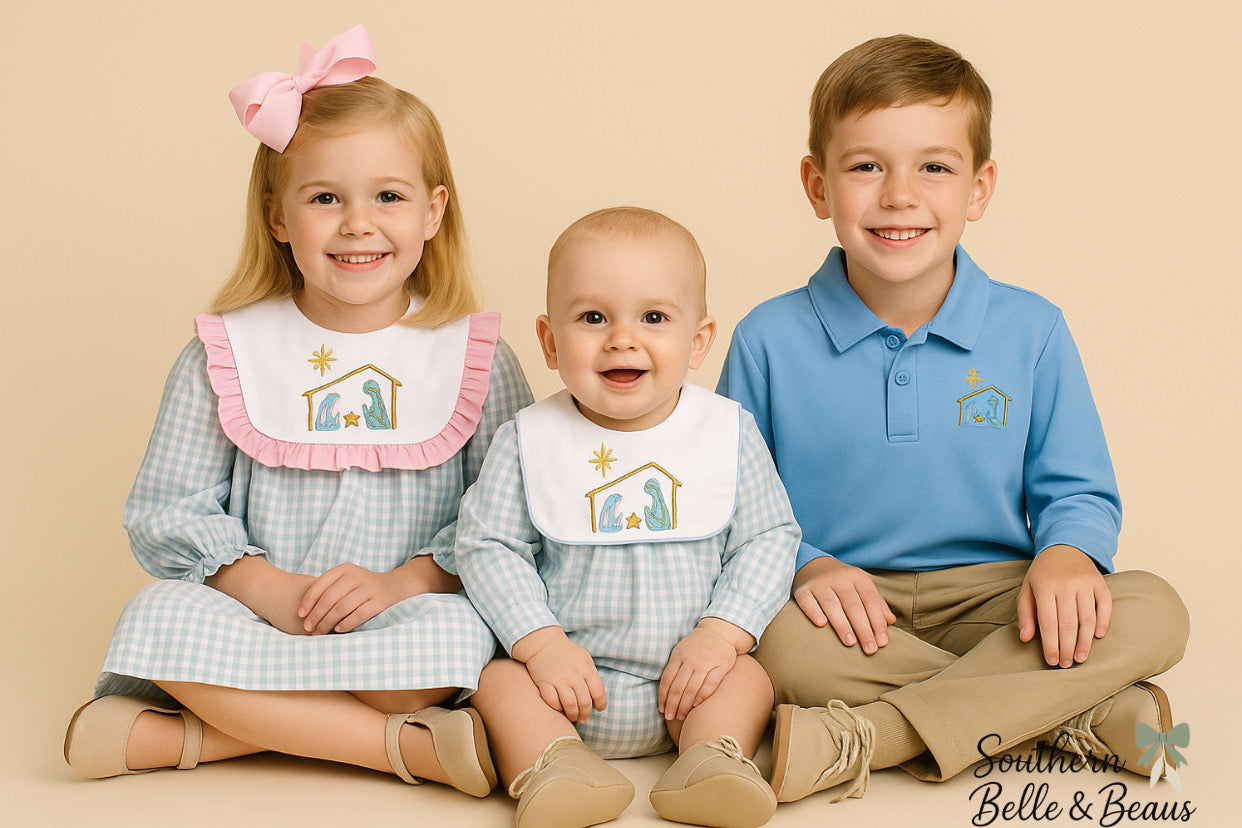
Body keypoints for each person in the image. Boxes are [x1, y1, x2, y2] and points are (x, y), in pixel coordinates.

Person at [717, 34, 1190, 802]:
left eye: (934, 167)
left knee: (1156, 610)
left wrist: (1069, 555)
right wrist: (808, 563)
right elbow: (735, 509)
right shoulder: (767, 338)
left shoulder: (1032, 330)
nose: (900, 195)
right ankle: (1072, 714)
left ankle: (869, 735)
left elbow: (1078, 490)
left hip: (1005, 601)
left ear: (978, 187)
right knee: (774, 651)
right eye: (866, 166)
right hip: (841, 610)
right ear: (816, 186)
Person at [62, 25, 532, 795]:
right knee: (159, 616)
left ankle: (194, 739)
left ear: (433, 212)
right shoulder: (228, 356)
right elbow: (166, 509)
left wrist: (403, 583)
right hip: (254, 614)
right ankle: (399, 751)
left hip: (403, 614)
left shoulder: (473, 358)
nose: (357, 223)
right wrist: (268, 590)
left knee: (462, 639)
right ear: (279, 217)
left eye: (388, 196)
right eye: (324, 198)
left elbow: (506, 515)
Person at [440, 207, 800, 828]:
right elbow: (486, 547)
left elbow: (769, 539)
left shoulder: (726, 431)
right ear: (551, 342)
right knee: (494, 680)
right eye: (592, 318)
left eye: (654, 318)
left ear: (700, 340)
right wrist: (542, 645)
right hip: (562, 683)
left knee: (753, 678)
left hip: (693, 679)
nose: (622, 339)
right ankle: (554, 765)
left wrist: (722, 633)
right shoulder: (526, 438)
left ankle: (712, 760)